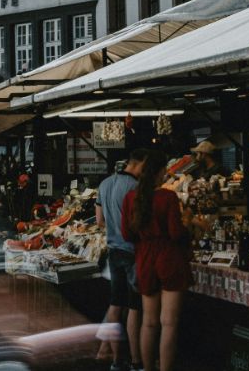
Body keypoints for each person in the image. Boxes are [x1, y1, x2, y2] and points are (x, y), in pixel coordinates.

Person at [122, 149, 192, 371]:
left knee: (149, 322)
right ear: (161, 172)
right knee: (168, 323)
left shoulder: (131, 198)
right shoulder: (167, 197)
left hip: (145, 260)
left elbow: (127, 235)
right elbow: (176, 233)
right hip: (169, 259)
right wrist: (190, 225)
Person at [96, 150, 146, 371]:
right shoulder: (135, 188)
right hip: (133, 252)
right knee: (135, 307)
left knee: (116, 306)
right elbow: (139, 224)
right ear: (139, 164)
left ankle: (117, 361)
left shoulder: (104, 184)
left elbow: (99, 221)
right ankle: (137, 362)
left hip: (113, 251)